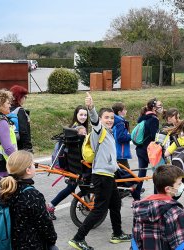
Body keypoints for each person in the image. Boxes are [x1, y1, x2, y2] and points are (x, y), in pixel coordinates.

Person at [68, 92, 131, 250]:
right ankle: (78, 238)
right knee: (99, 209)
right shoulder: (99, 130)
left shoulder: (109, 133)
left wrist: (114, 164)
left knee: (116, 204)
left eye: (111, 118)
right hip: (102, 176)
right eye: (106, 118)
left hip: (108, 174)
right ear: (101, 119)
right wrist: (91, 108)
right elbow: (95, 121)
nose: (109, 120)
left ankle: (117, 233)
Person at [0, 150, 58, 249]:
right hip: (30, 244)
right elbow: (44, 224)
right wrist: (52, 240)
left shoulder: (5, 189)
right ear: (28, 170)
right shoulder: (32, 195)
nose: (34, 167)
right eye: (33, 164)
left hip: (9, 243)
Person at [132, 164, 184, 250]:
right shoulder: (175, 211)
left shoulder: (139, 208)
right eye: (179, 184)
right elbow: (181, 245)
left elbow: (136, 241)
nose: (181, 186)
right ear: (168, 189)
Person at [47, 105, 89, 220]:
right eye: (81, 114)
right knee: (72, 187)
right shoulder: (76, 130)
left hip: (74, 166)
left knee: (81, 185)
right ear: (76, 115)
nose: (83, 117)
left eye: (85, 115)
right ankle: (50, 206)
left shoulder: (77, 128)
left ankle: (86, 203)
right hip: (74, 166)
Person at [132, 98, 164, 201]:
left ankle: (136, 194)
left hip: (140, 149)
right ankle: (156, 196)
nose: (161, 108)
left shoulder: (143, 117)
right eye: (160, 106)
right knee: (157, 173)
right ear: (154, 108)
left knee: (141, 173)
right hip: (149, 151)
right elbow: (154, 136)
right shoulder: (153, 119)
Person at [9, 85, 33, 152]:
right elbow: (23, 131)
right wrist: (28, 147)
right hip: (20, 146)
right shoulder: (19, 110)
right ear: (19, 97)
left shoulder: (6, 109)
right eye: (24, 97)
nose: (25, 99)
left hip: (10, 144)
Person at [112, 102, 132, 169]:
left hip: (117, 152)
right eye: (124, 109)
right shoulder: (120, 123)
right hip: (120, 152)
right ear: (120, 112)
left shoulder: (116, 121)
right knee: (126, 174)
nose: (126, 111)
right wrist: (131, 136)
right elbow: (120, 138)